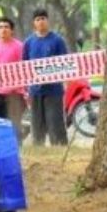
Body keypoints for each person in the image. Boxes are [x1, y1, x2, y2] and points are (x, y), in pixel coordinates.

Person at [23, 8, 69, 146]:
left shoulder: (58, 40)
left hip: (54, 90)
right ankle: (39, 149)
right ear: (34, 23)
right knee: (37, 124)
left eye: (43, 18)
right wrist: (26, 89)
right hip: (35, 90)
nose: (41, 22)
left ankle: (59, 147)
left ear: (47, 21)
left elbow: (65, 63)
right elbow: (24, 66)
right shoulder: (29, 42)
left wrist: (65, 82)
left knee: (55, 121)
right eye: (38, 19)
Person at [0, 17, 27, 144]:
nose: (3, 30)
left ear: (12, 30)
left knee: (14, 124)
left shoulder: (20, 47)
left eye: (6, 27)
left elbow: (25, 67)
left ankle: (17, 147)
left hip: (15, 92)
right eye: (0, 27)